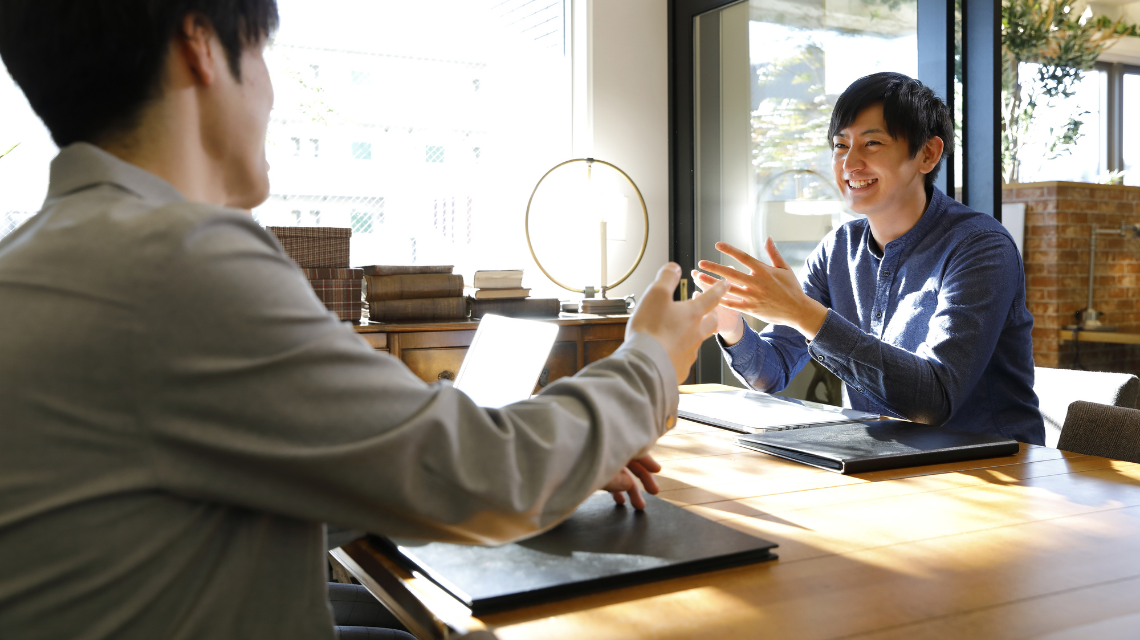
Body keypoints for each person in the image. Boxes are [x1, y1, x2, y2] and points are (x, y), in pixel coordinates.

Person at [0, 1, 728, 639]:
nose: (271, 94)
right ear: (199, 47)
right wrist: (651, 358)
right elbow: (490, 480)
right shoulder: (175, 258)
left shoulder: (40, 257)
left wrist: (565, 465)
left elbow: (226, 491)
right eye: (259, 52)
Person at [694, 72, 1044, 445]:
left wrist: (801, 312)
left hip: (993, 471)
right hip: (884, 462)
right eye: (840, 146)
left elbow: (934, 401)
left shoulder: (980, 247)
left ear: (927, 154)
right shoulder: (838, 250)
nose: (849, 164)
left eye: (872, 143)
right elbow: (772, 371)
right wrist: (732, 326)